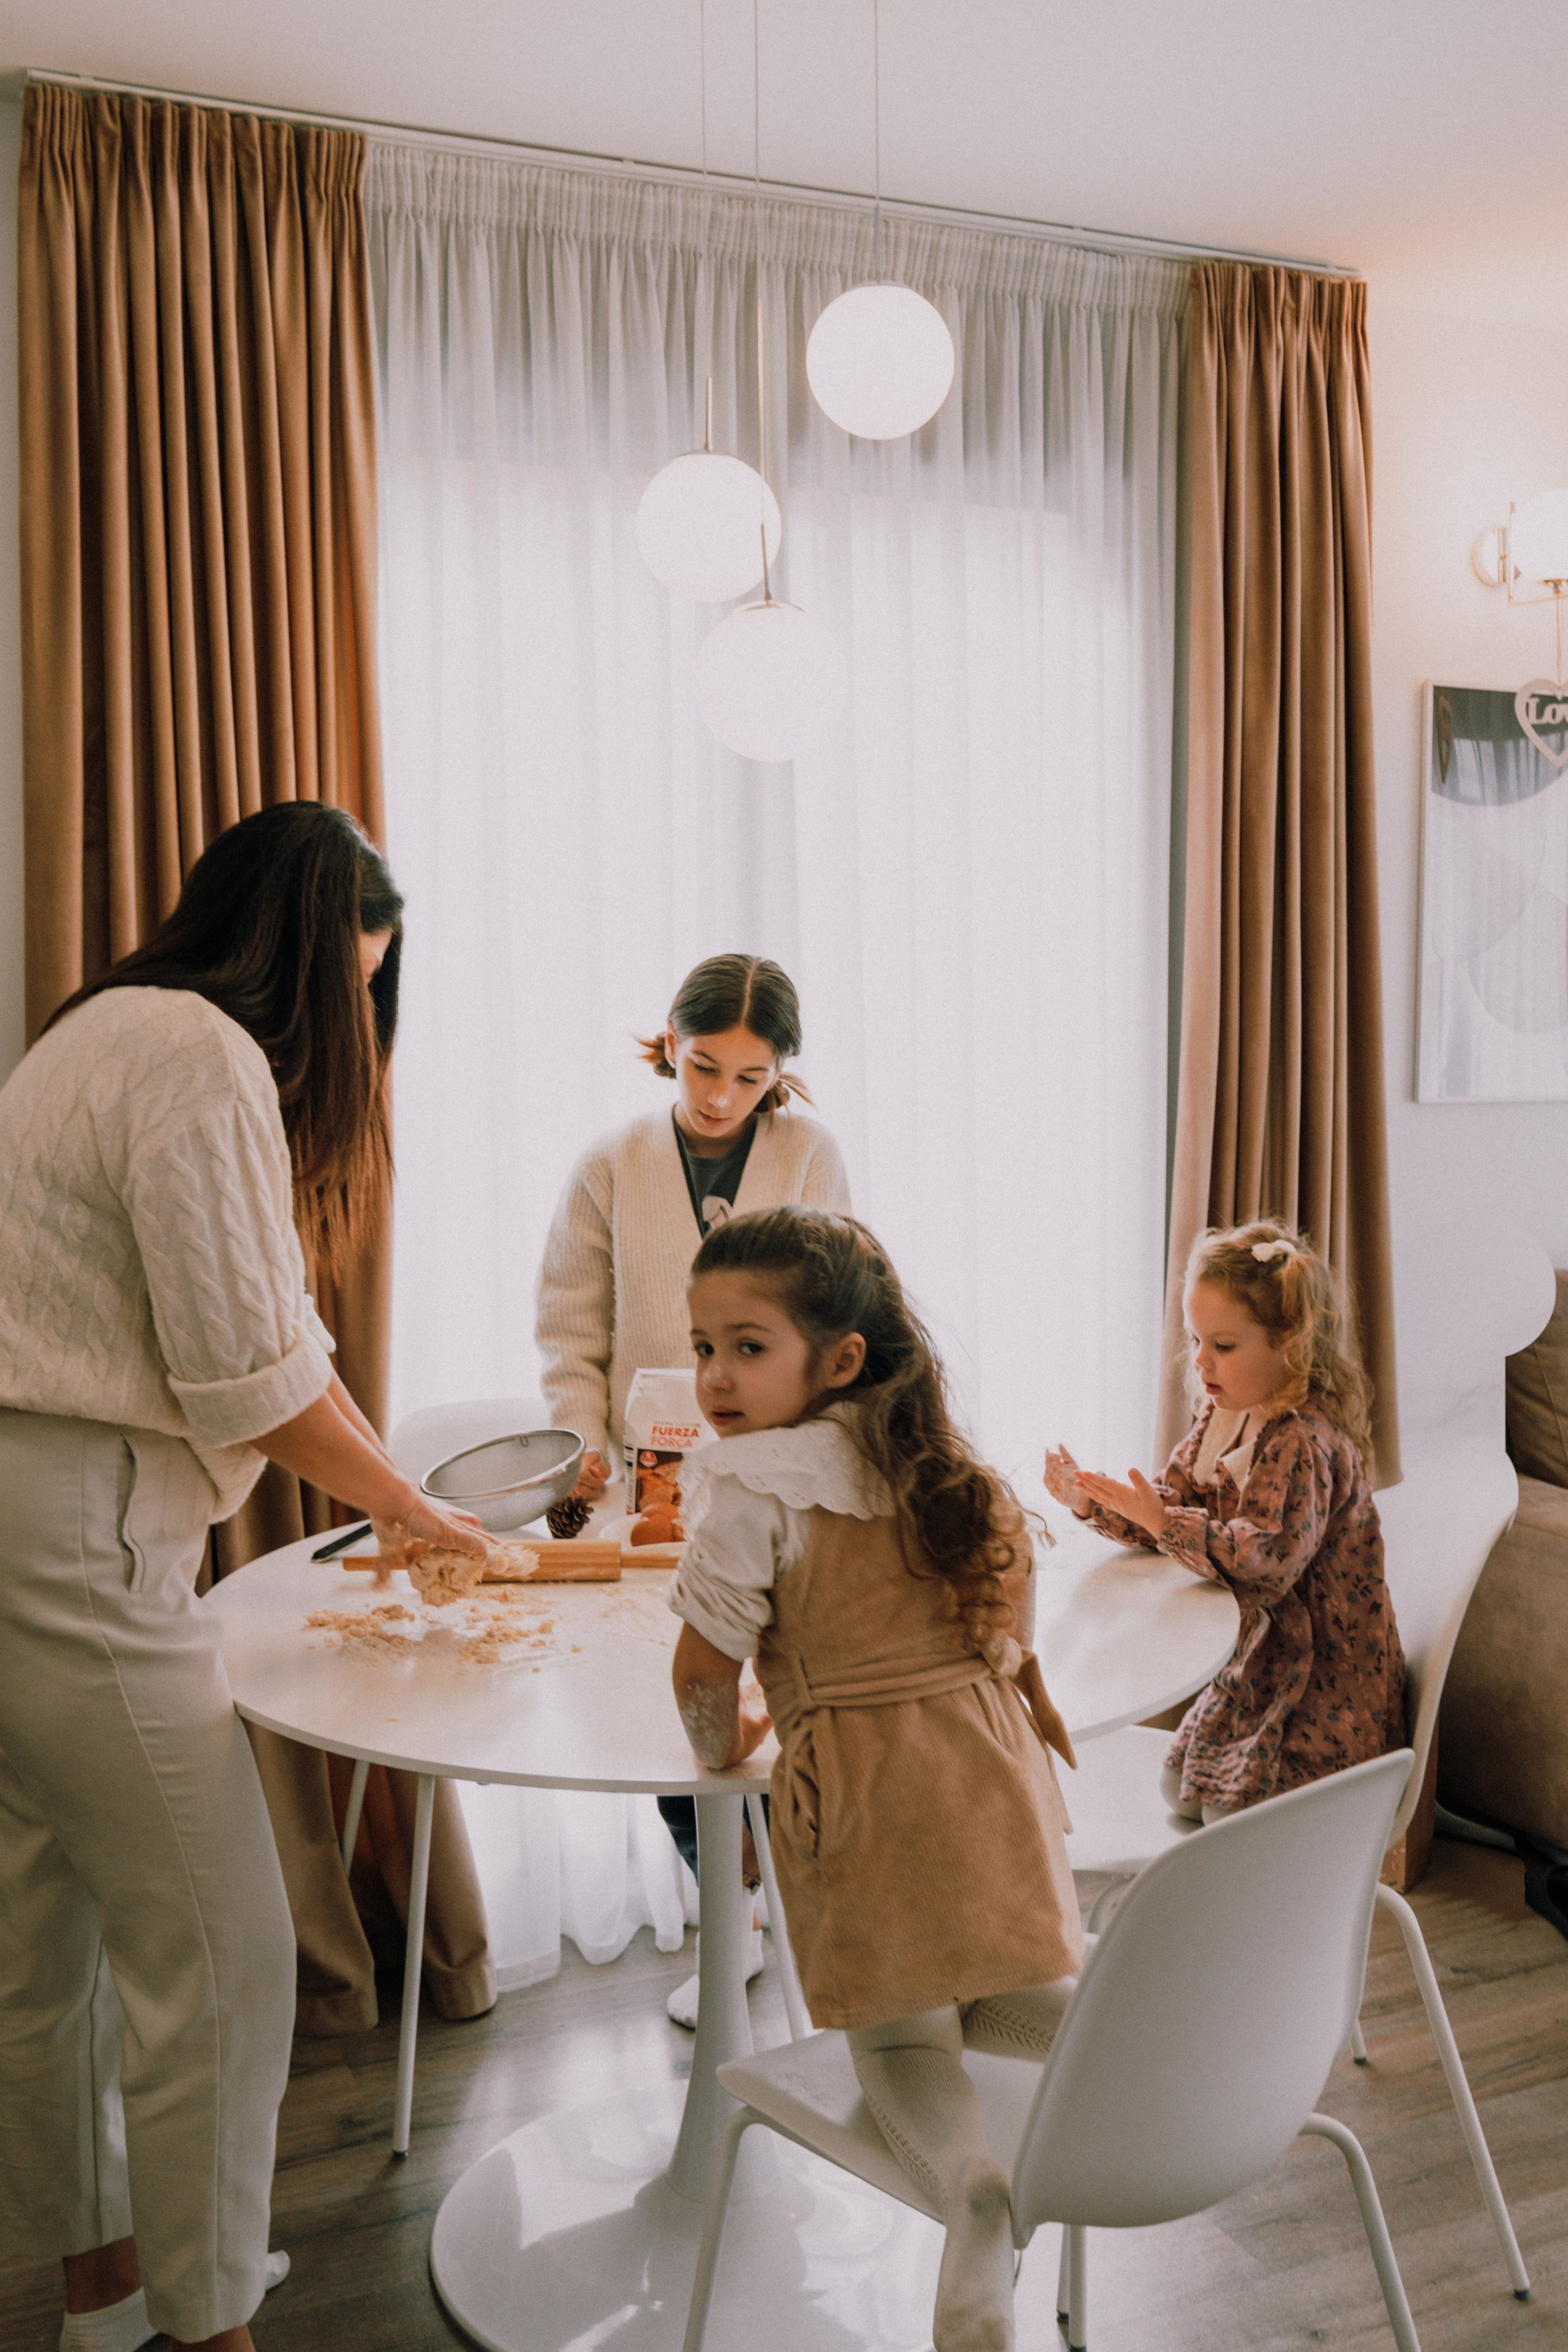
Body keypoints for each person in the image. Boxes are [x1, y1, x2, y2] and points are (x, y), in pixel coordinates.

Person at [0, 805, 487, 2352]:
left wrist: (396, 1497)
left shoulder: (95, 1031)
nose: (354, 1023)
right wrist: (414, 1505)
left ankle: (106, 2294)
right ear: (297, 953)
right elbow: (253, 1375)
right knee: (225, 1955)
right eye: (356, 986)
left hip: (25, 1500)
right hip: (81, 1524)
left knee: (43, 1938)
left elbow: (262, 1353)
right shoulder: (200, 1055)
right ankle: (212, 2330)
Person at [668, 1207, 1082, 2352]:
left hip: (864, 1797)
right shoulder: (943, 1464)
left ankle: (970, 2193)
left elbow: (703, 1672)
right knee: (992, 1968)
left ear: (839, 1358)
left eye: (748, 1347)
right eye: (704, 1346)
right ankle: (1131, 2029)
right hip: (989, 1773)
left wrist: (729, 1755)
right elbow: (1006, 1622)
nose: (715, 1378)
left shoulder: (750, 1487)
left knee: (899, 2042)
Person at [536, 954, 850, 2022]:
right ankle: (741, 1902)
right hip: (651, 1487)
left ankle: (797, 1899)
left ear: (779, 1078)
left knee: (785, 1692)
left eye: (749, 1078)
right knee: (669, 1702)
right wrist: (582, 1448)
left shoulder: (809, 1156)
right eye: (703, 1065)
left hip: (782, 1475)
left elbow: (844, 1310)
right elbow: (571, 1335)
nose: (719, 1095)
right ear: (669, 1040)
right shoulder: (612, 1163)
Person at [1046, 1219, 1406, 1823]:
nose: (1202, 1363)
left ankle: (1254, 1906)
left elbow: (1261, 1563)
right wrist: (1094, 1503)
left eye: (1224, 1345)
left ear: (1288, 1339)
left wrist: (1162, 1521)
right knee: (1176, 1792)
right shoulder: (1228, 1419)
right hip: (1260, 1665)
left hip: (1321, 1684)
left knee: (1222, 1822)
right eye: (1196, 1342)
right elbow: (1173, 1507)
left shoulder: (1302, 1441)